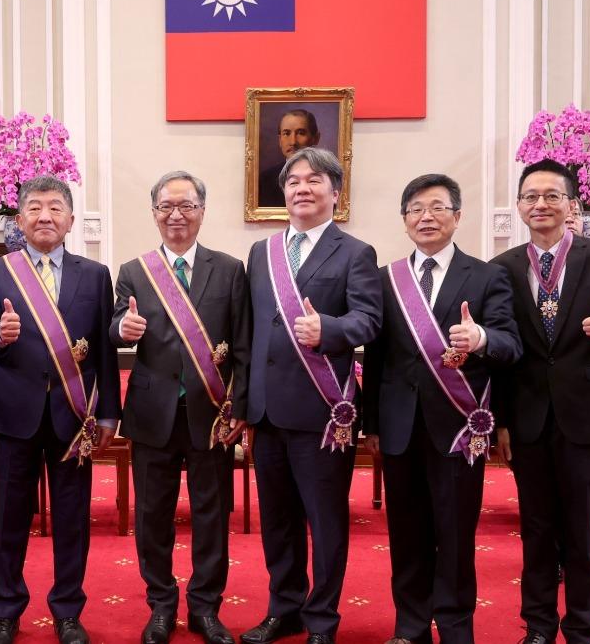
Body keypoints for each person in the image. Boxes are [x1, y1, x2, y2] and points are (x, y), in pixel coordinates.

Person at [362, 174, 522, 644]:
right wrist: (371, 422)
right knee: (406, 533)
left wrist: (482, 339)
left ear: (457, 215)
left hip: (457, 427)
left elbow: (511, 345)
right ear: (405, 220)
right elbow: (376, 358)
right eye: (415, 208)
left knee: (454, 534)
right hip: (398, 427)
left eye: (436, 207)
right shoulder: (385, 279)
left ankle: (454, 627)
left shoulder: (488, 275)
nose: (425, 216)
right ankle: (410, 626)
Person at [490, 159, 590, 644]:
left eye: (552, 196)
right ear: (518, 206)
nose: (540, 205)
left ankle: (581, 629)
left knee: (581, 532)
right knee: (536, 530)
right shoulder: (503, 268)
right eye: (531, 196)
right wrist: (502, 423)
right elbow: (503, 355)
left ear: (572, 204)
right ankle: (537, 627)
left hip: (587, 418)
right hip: (529, 420)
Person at [0, 175, 121, 644]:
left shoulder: (94, 275)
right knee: (10, 517)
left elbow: (103, 353)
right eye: (34, 208)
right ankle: (6, 610)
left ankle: (68, 610)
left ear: (71, 219)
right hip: (15, 413)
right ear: (19, 219)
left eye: (55, 208)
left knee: (73, 518)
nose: (45, 216)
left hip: (73, 417)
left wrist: (109, 413)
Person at [242, 147, 382, 644]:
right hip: (266, 411)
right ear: (284, 192)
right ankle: (285, 608)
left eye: (314, 180)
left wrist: (330, 329)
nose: (303, 188)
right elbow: (248, 333)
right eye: (294, 181)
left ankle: (322, 618)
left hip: (323, 414)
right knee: (277, 522)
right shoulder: (262, 253)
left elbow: (369, 319)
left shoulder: (355, 253)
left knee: (325, 523)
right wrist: (243, 405)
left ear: (336, 192)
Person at [110, 171, 250, 644]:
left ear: (202, 211)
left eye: (186, 206)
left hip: (211, 415)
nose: (176, 215)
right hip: (153, 415)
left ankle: (206, 609)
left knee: (212, 515)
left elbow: (244, 345)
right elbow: (115, 323)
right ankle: (161, 605)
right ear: (154, 214)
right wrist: (119, 331)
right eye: (166, 207)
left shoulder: (229, 269)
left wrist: (240, 408)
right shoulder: (134, 270)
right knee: (153, 516)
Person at [258, 109, 322, 208]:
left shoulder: (329, 176)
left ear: (316, 138)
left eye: (301, 133)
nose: (293, 142)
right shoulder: (264, 180)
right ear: (280, 140)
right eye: (286, 134)